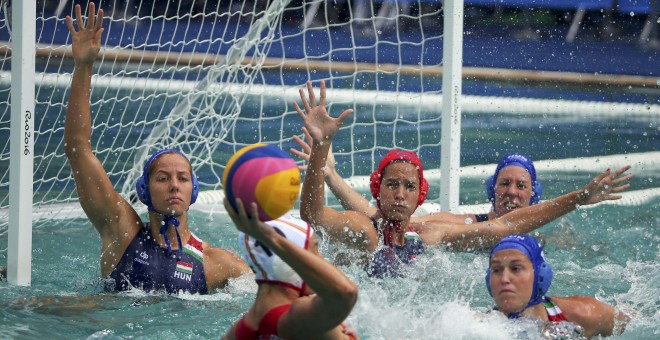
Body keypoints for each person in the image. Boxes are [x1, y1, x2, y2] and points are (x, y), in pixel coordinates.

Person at [294, 80, 632, 277]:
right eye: (392, 185)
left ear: (420, 196)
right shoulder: (366, 231)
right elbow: (314, 215)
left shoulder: (429, 235)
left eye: (409, 187)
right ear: (377, 189)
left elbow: (505, 228)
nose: (399, 194)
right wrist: (322, 152)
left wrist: (578, 198)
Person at [64, 3, 249, 294]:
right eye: (162, 178)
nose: (174, 186)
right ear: (145, 189)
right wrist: (84, 65)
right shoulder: (121, 231)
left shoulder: (218, 264)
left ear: (194, 190)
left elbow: (275, 298)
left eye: (182, 178)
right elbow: (77, 148)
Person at [292, 129, 541, 224]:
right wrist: (329, 173)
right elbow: (376, 218)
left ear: (534, 192)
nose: (511, 192)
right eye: (505, 183)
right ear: (492, 188)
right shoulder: (459, 225)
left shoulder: (550, 237)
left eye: (521, 185)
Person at [221, 198, 359, 340]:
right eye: (314, 251)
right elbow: (346, 292)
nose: (322, 260)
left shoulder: (235, 333)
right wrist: (272, 238)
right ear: (287, 262)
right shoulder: (298, 317)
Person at [486, 234, 629, 338]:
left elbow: (637, 324)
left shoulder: (583, 314)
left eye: (516, 268)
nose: (504, 279)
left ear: (540, 274)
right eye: (496, 270)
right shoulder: (478, 328)